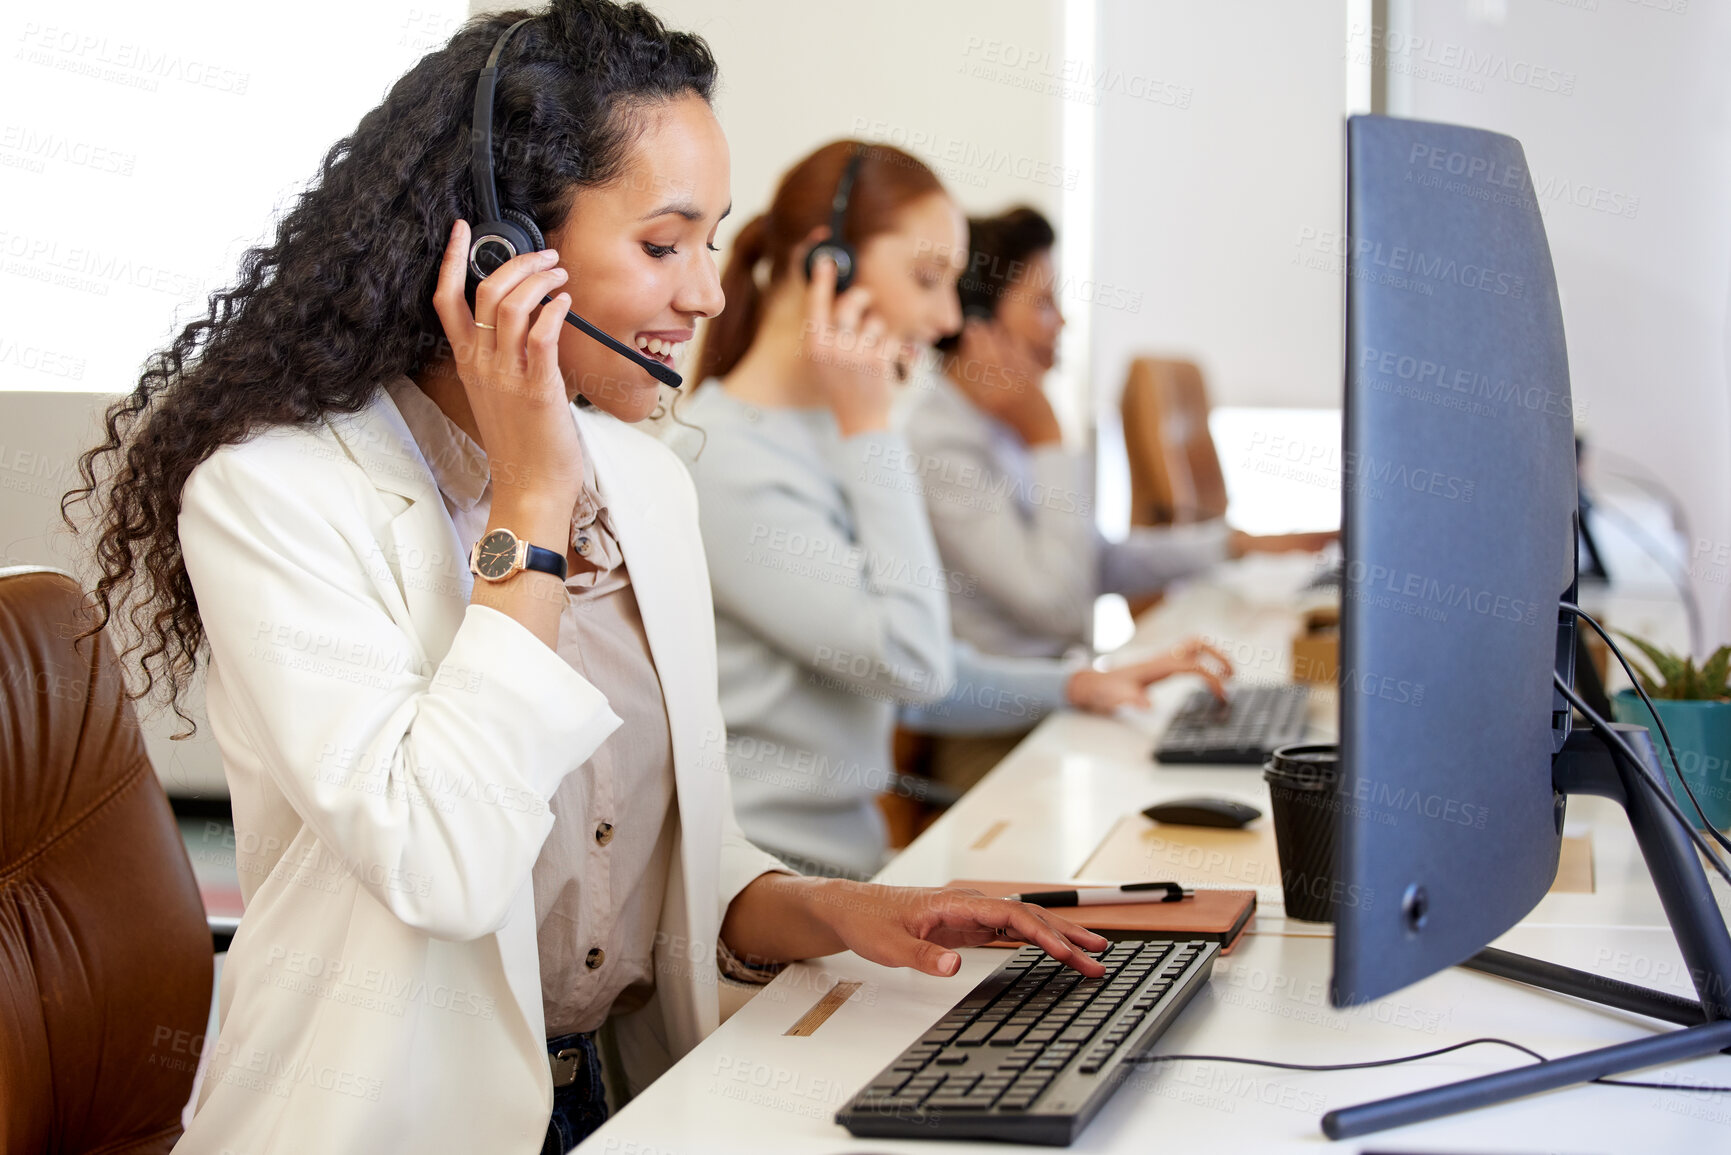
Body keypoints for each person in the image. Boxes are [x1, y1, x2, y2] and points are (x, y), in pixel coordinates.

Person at [64, 9, 1110, 1153]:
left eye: (709, 243)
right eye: (664, 247)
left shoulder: (645, 481)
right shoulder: (274, 495)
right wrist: (530, 503)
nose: (708, 295)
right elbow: (446, 864)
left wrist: (830, 906)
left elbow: (636, 860)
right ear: (504, 251)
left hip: (617, 1100)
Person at [673, 142, 1231, 879]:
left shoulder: (824, 435)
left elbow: (917, 672)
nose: (944, 318)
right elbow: (910, 661)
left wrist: (1076, 684)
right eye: (927, 278)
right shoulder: (725, 461)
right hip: (770, 894)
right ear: (824, 263)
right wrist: (871, 429)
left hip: (851, 870)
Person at [910, 206, 1335, 663]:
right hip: (1006, 724)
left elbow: (1092, 561)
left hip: (1060, 693)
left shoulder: (999, 423)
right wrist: (1047, 438)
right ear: (979, 326)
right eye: (1044, 303)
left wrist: (1235, 544)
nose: (1062, 323)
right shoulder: (942, 446)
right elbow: (1062, 608)